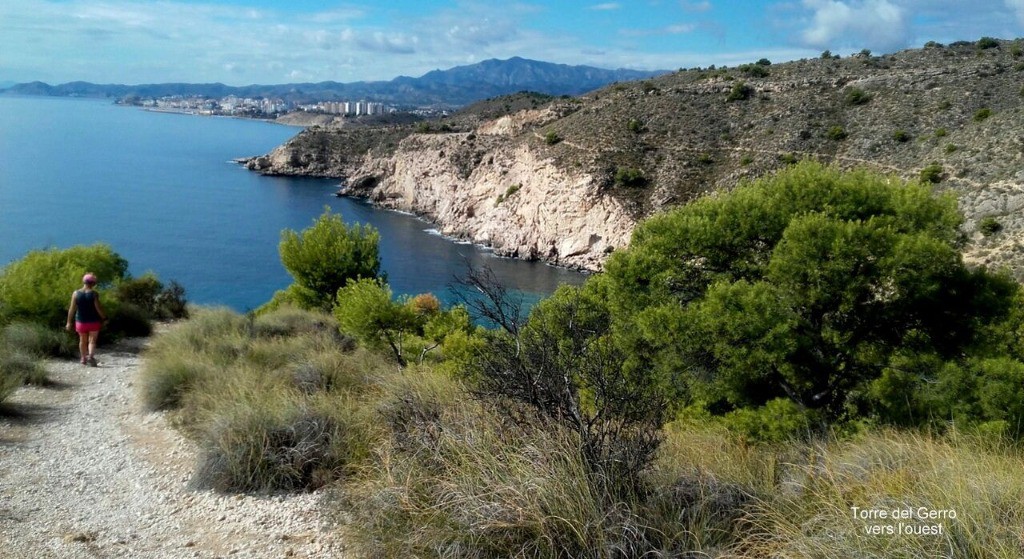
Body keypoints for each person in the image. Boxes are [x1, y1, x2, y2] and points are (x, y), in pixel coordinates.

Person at [65, 273, 107, 366]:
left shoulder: (75, 293)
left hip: (80, 321)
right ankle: (91, 357)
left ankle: (83, 358)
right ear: (93, 283)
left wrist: (68, 322)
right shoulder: (94, 294)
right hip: (93, 321)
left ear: (83, 281)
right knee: (92, 340)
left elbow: (72, 309)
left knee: (82, 340)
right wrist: (104, 318)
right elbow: (98, 308)